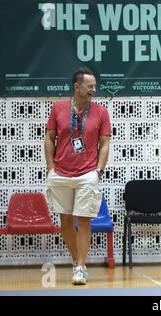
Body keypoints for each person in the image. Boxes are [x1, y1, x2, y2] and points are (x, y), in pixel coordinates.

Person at [44, 67, 111, 285]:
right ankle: (76, 261)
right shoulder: (58, 108)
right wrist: (50, 167)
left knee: (84, 220)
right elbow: (49, 138)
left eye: (94, 85)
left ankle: (81, 267)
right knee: (65, 220)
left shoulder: (101, 112)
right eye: (90, 85)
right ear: (77, 87)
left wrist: (98, 171)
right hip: (60, 173)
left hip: (87, 174)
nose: (94, 89)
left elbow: (105, 144)